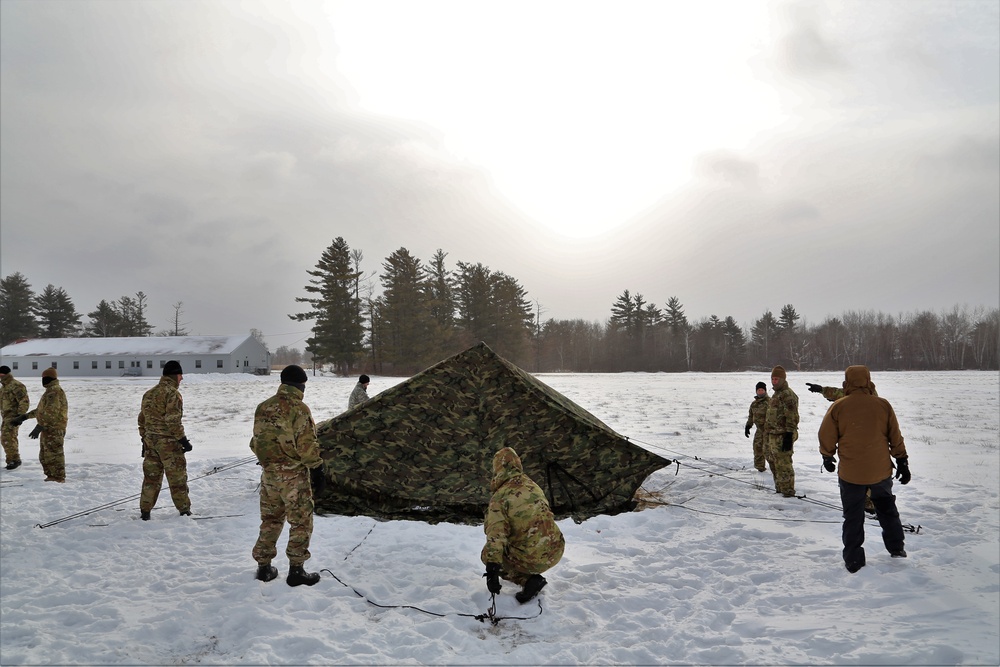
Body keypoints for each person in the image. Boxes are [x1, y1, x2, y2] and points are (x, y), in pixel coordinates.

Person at [818, 365, 910, 573]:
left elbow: (826, 435)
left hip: (851, 473)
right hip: (880, 471)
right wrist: (902, 461)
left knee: (853, 516)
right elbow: (895, 436)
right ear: (868, 380)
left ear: (847, 382)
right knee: (887, 509)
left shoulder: (839, 406)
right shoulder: (883, 405)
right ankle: (897, 548)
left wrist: (827, 455)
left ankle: (853, 559)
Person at [251, 364, 325, 587]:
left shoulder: (263, 407)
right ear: (301, 384)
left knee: (271, 519)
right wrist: (318, 468)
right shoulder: (299, 409)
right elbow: (307, 446)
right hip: (293, 476)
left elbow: (255, 442)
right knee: (301, 521)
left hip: (269, 475)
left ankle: (264, 568)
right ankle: (296, 570)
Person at [481, 446, 565, 604]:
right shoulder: (533, 485)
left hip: (533, 557)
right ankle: (531, 576)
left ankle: (527, 581)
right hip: (556, 549)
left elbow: (496, 537)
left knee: (487, 554)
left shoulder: (500, 497)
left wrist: (492, 570)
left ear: (497, 469)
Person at [806, 379, 879, 514]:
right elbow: (839, 393)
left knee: (860, 474)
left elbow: (841, 395)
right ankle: (869, 503)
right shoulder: (870, 394)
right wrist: (822, 389)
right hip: (869, 443)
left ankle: (868, 504)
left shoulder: (865, 396)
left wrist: (823, 390)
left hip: (860, 442)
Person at [137, 360, 192, 519]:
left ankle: (145, 512)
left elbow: (142, 420)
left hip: (151, 443)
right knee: (177, 478)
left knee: (151, 479)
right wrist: (183, 441)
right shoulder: (172, 394)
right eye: (181, 376)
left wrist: (144, 439)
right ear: (175, 375)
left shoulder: (149, 393)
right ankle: (184, 510)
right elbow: (173, 421)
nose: (181, 379)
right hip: (168, 444)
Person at [18, 367, 68, 482]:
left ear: (51, 378)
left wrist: (40, 425)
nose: (43, 380)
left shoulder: (54, 391)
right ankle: (51, 475)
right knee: (46, 454)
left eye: (45, 378)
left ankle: (58, 477)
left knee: (55, 453)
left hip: (54, 428)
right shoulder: (49, 391)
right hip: (47, 428)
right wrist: (25, 416)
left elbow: (51, 411)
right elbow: (41, 411)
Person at [765, 365, 799, 497]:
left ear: (783, 379)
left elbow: (792, 416)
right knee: (773, 462)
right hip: (773, 434)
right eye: (772, 379)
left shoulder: (787, 395)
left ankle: (788, 492)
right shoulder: (776, 394)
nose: (774, 381)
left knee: (783, 464)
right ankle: (779, 488)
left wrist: (789, 435)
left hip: (783, 435)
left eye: (777, 379)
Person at [0, 365, 30, 470]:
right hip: (5, 416)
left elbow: (24, 401)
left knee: (7, 438)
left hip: (13, 416)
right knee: (8, 438)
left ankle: (13, 460)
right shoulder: (4, 387)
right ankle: (14, 459)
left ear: (4, 374)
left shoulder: (16, 385)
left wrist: (20, 416)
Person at [744, 381, 770, 473]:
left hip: (770, 431)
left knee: (769, 451)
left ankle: (776, 469)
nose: (760, 392)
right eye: (758, 390)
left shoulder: (770, 402)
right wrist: (748, 426)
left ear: (765, 391)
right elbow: (751, 416)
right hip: (759, 431)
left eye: (762, 390)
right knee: (757, 448)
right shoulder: (754, 404)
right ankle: (760, 469)